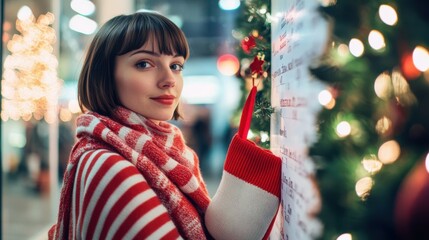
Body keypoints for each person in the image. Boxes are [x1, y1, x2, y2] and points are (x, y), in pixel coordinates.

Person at [49, 11, 281, 240]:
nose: (169, 79)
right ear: (105, 75)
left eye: (176, 65)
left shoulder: (170, 153)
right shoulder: (109, 166)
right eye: (144, 64)